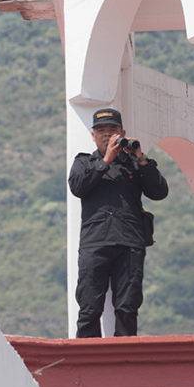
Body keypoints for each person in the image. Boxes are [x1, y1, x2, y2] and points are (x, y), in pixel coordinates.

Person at [69, 109, 168, 337]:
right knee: (89, 308)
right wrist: (106, 160)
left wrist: (141, 159)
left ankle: (126, 355)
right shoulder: (84, 162)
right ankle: (87, 356)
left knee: (127, 308)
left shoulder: (135, 164)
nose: (106, 134)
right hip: (95, 243)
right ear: (93, 135)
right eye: (101, 130)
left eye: (112, 129)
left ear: (122, 132)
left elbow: (159, 192)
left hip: (129, 243)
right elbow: (78, 187)